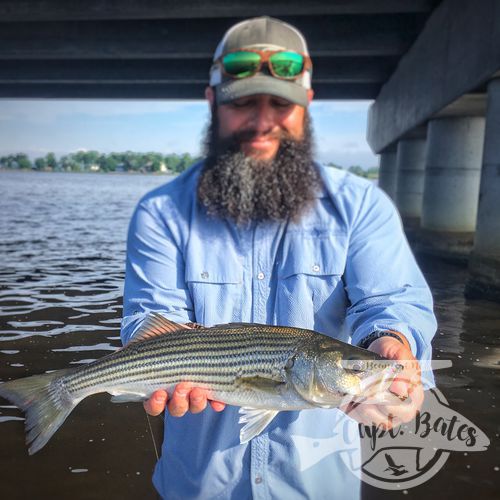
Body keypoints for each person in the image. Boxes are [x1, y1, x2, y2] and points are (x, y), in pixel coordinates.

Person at [121, 16, 436, 499]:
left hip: (317, 484)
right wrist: (157, 368)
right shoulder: (161, 213)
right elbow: (148, 319)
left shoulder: (361, 206)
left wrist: (391, 341)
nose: (263, 121)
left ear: (306, 105)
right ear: (213, 103)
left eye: (280, 103)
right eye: (243, 102)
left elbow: (392, 301)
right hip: (198, 484)